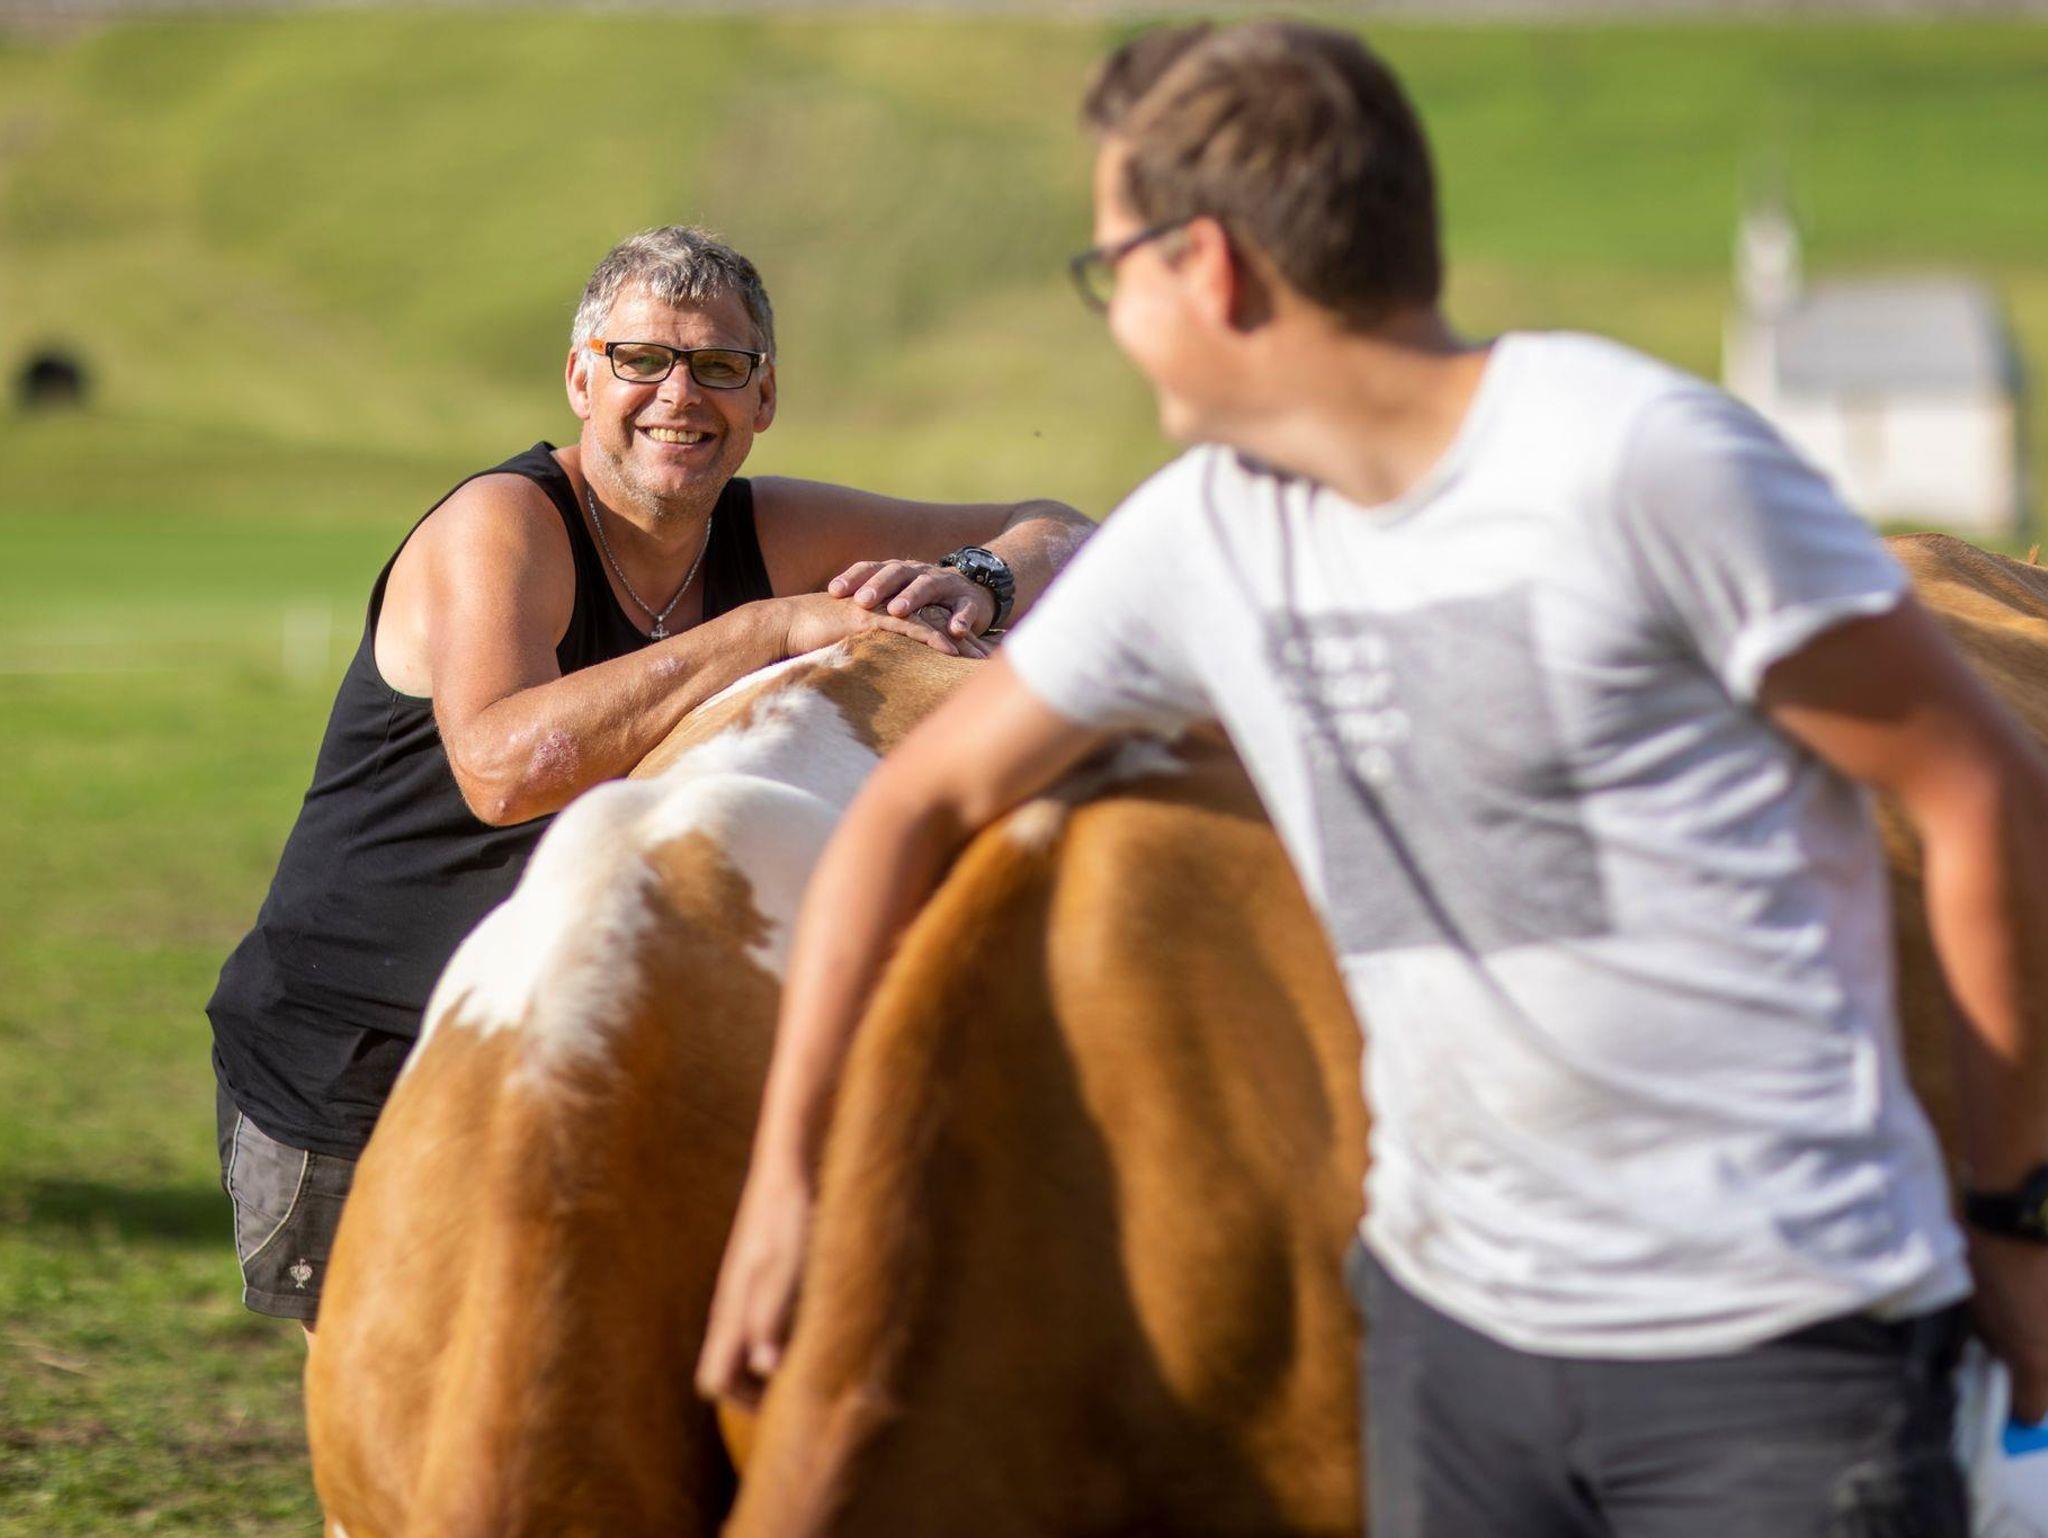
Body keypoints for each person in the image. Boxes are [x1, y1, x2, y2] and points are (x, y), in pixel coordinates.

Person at [697, 23, 2048, 1536]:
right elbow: (914, 803)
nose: (1114, 318)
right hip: (1444, 1348)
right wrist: (789, 1183)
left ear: (1207, 268)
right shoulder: (1208, 531)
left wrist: (2015, 1223)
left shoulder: (1639, 458)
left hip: (1779, 1343)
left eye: (1110, 271)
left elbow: (1983, 796)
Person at [207, 224, 1093, 1328]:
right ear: (582, 379)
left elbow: (1065, 529)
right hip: (365, 1063)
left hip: (579, 1044)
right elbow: (504, 770)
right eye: (642, 359)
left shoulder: (771, 526)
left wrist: (981, 578)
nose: (680, 394)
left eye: (719, 365)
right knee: (416, 1422)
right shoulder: (502, 524)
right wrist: (767, 629)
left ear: (763, 397)